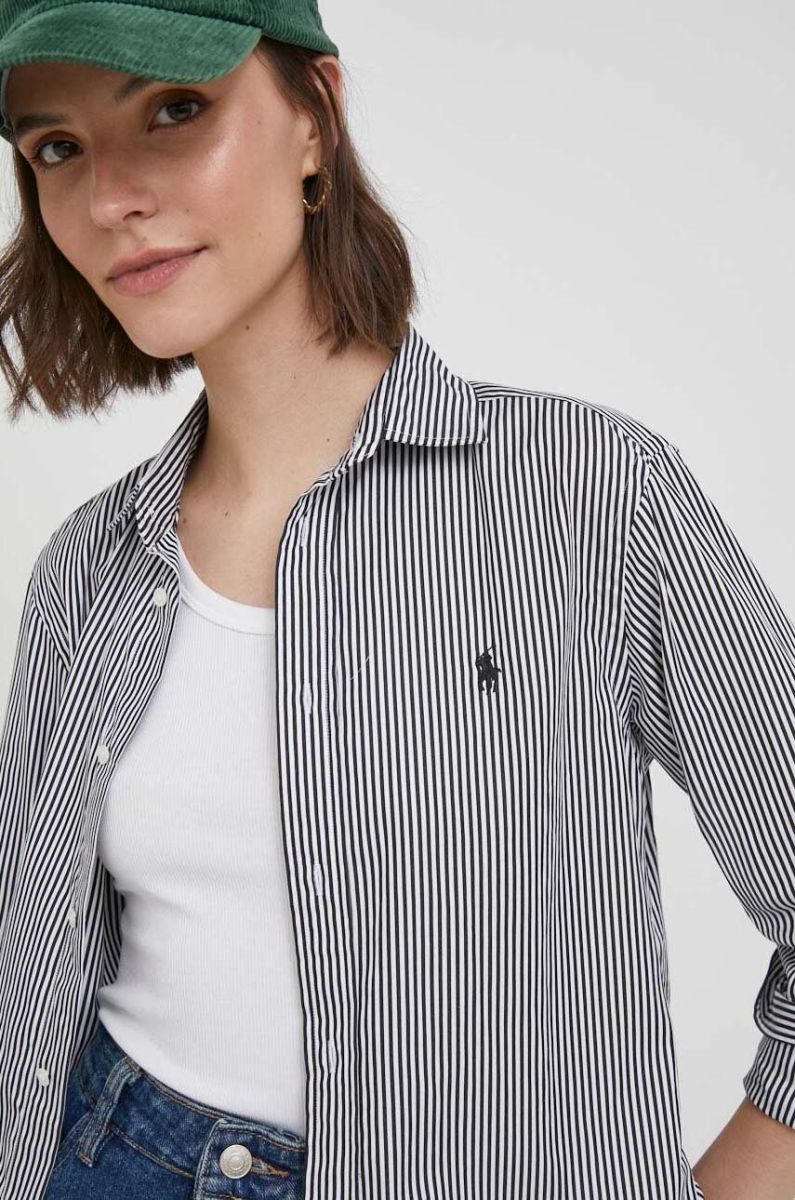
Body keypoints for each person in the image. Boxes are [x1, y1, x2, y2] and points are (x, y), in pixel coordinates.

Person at [0, 3, 793, 1200]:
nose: (109, 198)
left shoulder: (590, 495)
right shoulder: (86, 568)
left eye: (175, 110)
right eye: (56, 146)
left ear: (314, 119)